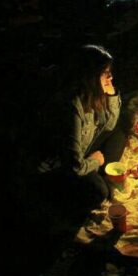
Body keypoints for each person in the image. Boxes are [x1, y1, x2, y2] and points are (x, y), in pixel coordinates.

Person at [46, 45, 125, 203]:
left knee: (118, 135)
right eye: (105, 73)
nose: (111, 77)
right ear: (90, 76)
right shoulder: (72, 107)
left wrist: (112, 94)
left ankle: (100, 174)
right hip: (64, 167)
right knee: (99, 192)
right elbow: (74, 167)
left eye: (110, 72)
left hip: (85, 150)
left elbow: (108, 126)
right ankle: (97, 178)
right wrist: (96, 161)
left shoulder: (93, 96)